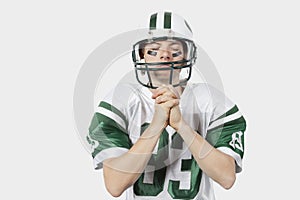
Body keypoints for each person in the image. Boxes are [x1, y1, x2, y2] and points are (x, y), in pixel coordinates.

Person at [87, 11, 247, 200]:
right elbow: (115, 184)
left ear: (188, 55)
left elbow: (226, 177)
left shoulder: (210, 101)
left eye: (175, 50)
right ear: (142, 55)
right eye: (154, 50)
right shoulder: (122, 100)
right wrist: (156, 125)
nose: (164, 56)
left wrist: (182, 126)